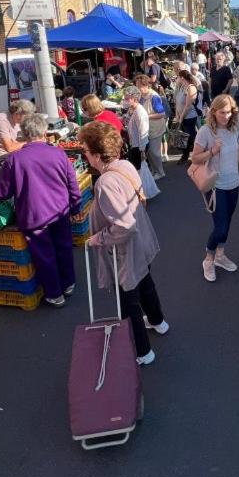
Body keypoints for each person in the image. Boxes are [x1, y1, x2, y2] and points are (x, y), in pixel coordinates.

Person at [79, 121, 168, 366]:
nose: (84, 155)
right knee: (146, 282)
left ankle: (143, 352)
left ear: (97, 154)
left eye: (85, 150)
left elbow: (124, 226)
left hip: (125, 250)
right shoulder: (125, 165)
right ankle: (158, 321)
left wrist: (99, 238)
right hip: (142, 242)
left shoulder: (105, 183)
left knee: (128, 302)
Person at [0, 114, 81, 307]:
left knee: (44, 255)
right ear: (44, 132)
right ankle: (68, 283)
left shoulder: (14, 159)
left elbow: (1, 192)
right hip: (60, 210)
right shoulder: (58, 153)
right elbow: (72, 184)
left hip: (33, 215)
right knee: (64, 246)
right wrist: (76, 206)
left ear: (24, 135)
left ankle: (54, 293)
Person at [191, 95, 239, 282]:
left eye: (229, 112)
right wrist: (212, 151)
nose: (226, 116)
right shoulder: (205, 131)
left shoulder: (233, 128)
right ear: (213, 112)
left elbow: (236, 151)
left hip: (233, 183)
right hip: (216, 186)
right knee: (220, 227)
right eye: (222, 112)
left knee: (227, 223)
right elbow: (195, 159)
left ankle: (220, 255)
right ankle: (208, 259)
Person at [135, 75, 167, 179]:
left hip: (155, 128)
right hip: (146, 128)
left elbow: (161, 113)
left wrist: (146, 116)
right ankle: (154, 170)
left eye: (138, 86)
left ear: (145, 85)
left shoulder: (154, 96)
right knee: (149, 152)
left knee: (154, 152)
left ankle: (160, 172)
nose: (137, 88)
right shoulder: (141, 96)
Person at [174, 69, 201, 165]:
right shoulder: (182, 87)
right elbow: (177, 102)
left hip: (189, 117)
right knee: (184, 137)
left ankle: (194, 157)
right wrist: (177, 115)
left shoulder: (191, 87)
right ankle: (185, 156)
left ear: (182, 78)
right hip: (182, 117)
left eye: (178, 77)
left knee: (190, 137)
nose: (177, 79)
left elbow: (188, 105)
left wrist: (181, 117)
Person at [122, 86, 149, 171]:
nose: (125, 100)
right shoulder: (132, 109)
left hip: (139, 147)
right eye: (125, 98)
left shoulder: (139, 112)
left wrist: (142, 151)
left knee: (138, 170)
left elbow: (143, 131)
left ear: (135, 99)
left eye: (127, 98)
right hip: (134, 144)